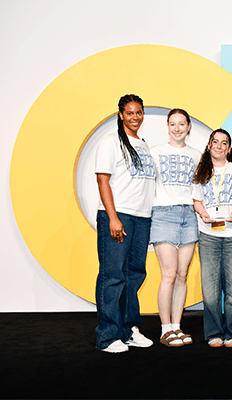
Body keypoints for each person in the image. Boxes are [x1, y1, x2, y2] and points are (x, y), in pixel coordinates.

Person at [94, 94, 156, 353]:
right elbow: (102, 180)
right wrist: (113, 217)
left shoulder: (143, 144)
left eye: (139, 112)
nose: (135, 117)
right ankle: (107, 336)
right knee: (113, 276)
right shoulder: (111, 142)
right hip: (119, 216)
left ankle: (129, 330)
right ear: (120, 115)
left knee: (134, 275)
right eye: (129, 113)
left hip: (142, 217)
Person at [192, 129, 232, 348]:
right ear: (209, 145)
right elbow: (197, 200)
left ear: (229, 149)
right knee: (210, 291)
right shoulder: (201, 171)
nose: (219, 146)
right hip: (208, 236)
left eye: (224, 143)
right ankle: (213, 333)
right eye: (215, 142)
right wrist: (203, 213)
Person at [149, 108, 201, 347]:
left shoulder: (196, 155)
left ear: (188, 127)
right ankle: (165, 329)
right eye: (173, 124)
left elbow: (200, 188)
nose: (177, 128)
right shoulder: (155, 152)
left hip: (188, 215)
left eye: (182, 124)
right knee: (169, 274)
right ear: (168, 127)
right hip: (163, 214)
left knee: (182, 275)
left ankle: (177, 326)